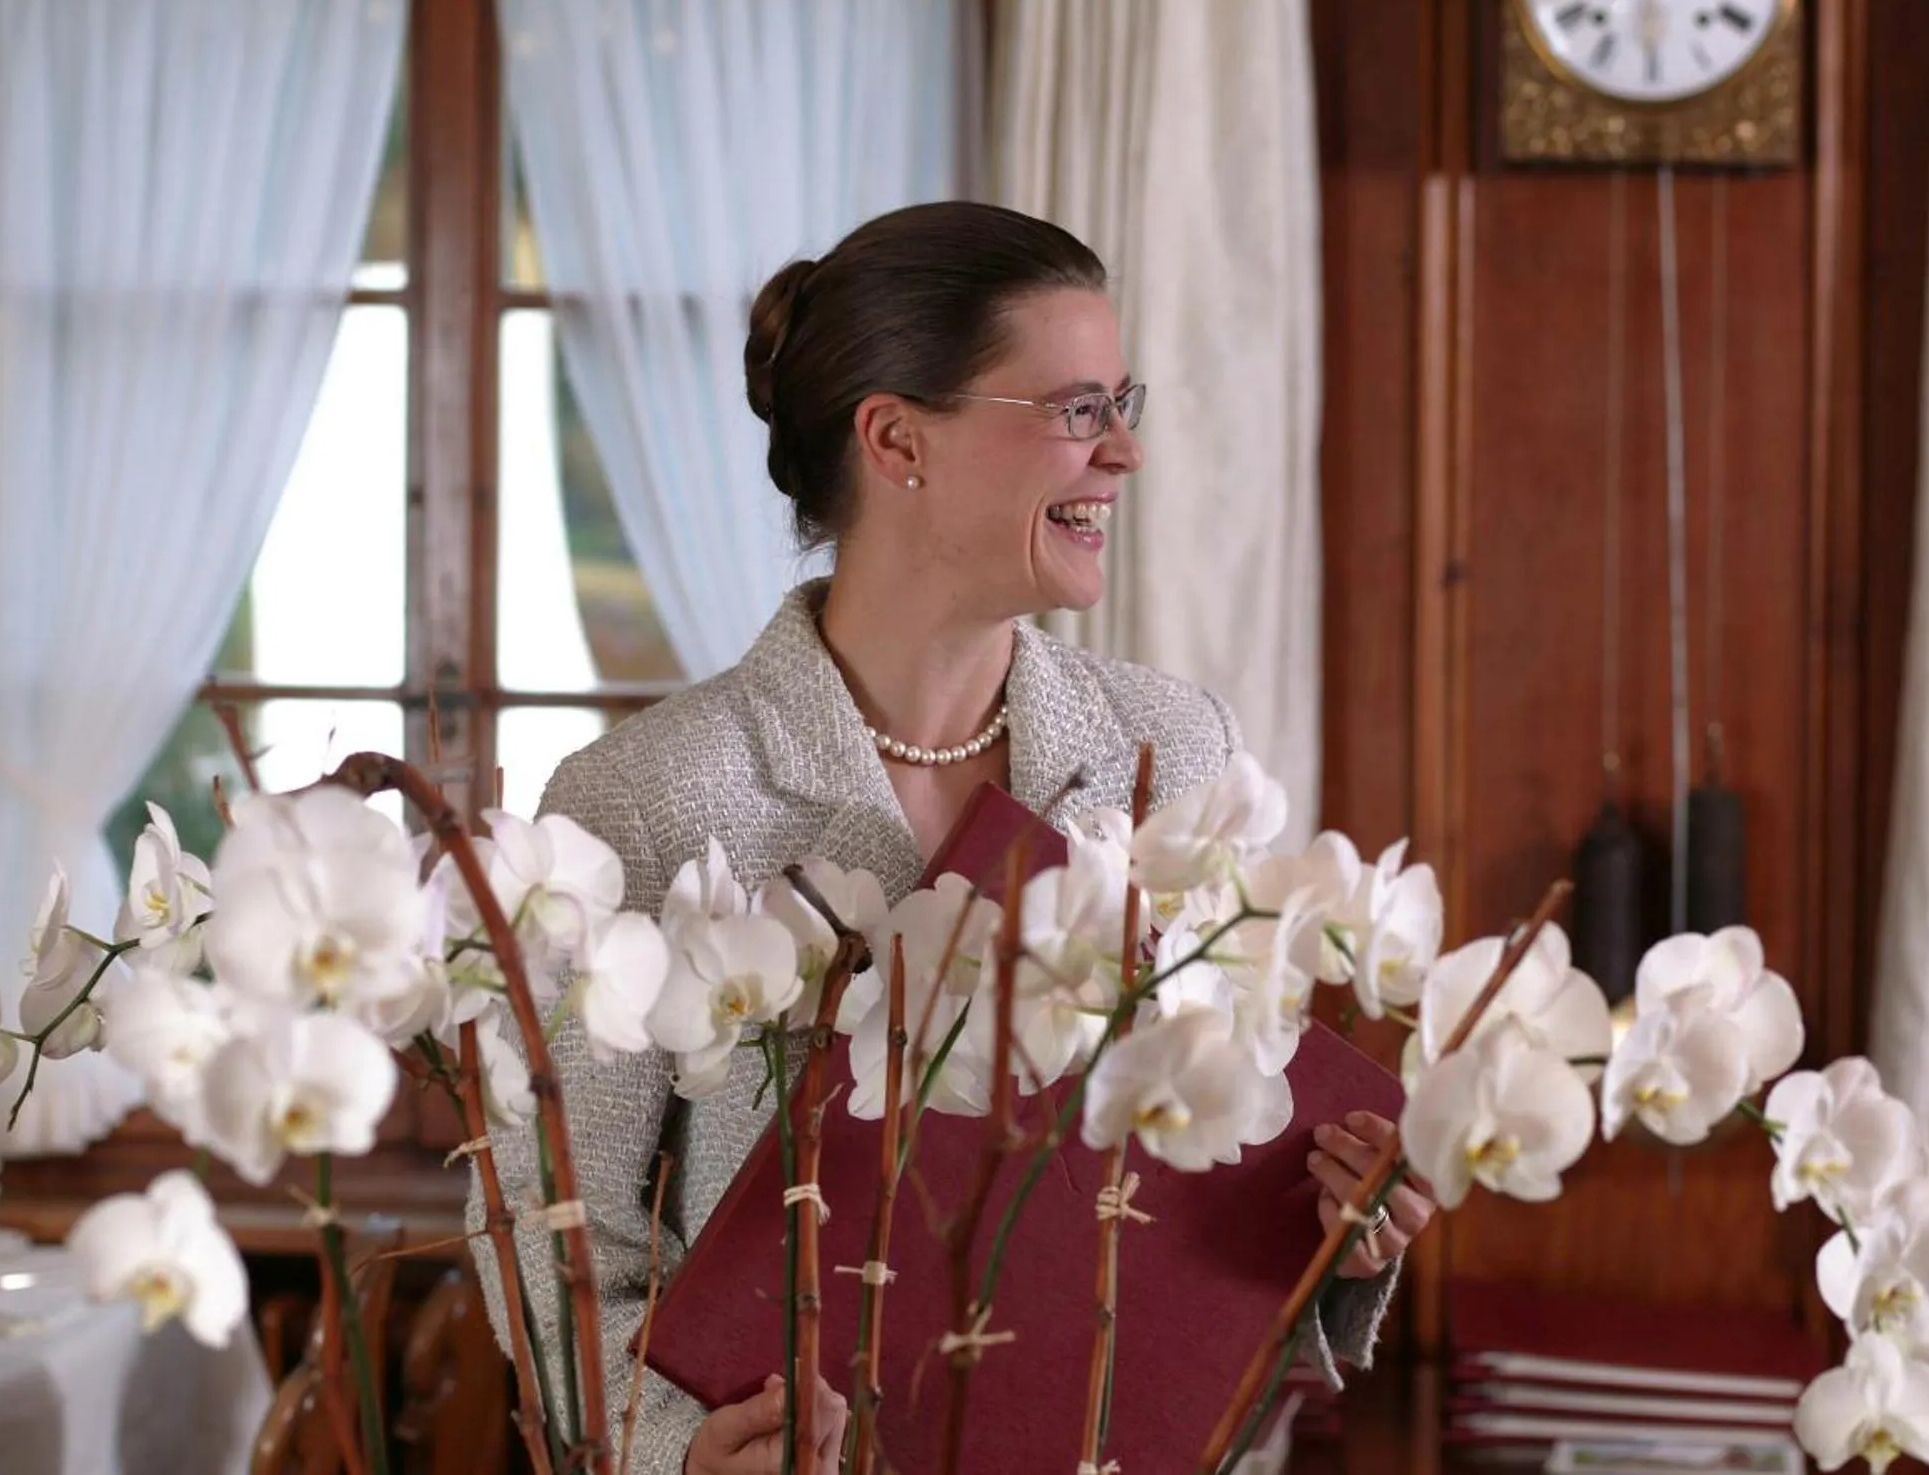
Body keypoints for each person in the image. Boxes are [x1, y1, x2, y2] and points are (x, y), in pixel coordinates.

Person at [468, 202, 1432, 1475]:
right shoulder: (645, 798)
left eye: (1121, 402)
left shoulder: (1172, 749)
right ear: (896, 440)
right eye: (1078, 408)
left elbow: (1206, 1169)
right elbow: (549, 1235)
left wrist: (1336, 1228)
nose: (1126, 450)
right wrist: (681, 1452)